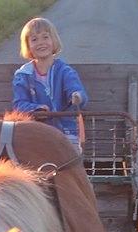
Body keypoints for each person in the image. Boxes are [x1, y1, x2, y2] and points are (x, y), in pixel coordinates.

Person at [11, 17, 88, 148]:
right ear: (28, 45)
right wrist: (36, 108)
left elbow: (76, 90)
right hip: (36, 132)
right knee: (32, 159)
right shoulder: (23, 75)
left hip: (65, 130)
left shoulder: (64, 71)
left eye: (45, 37)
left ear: (53, 41)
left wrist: (77, 96)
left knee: (70, 160)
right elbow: (19, 104)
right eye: (34, 39)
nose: (41, 43)